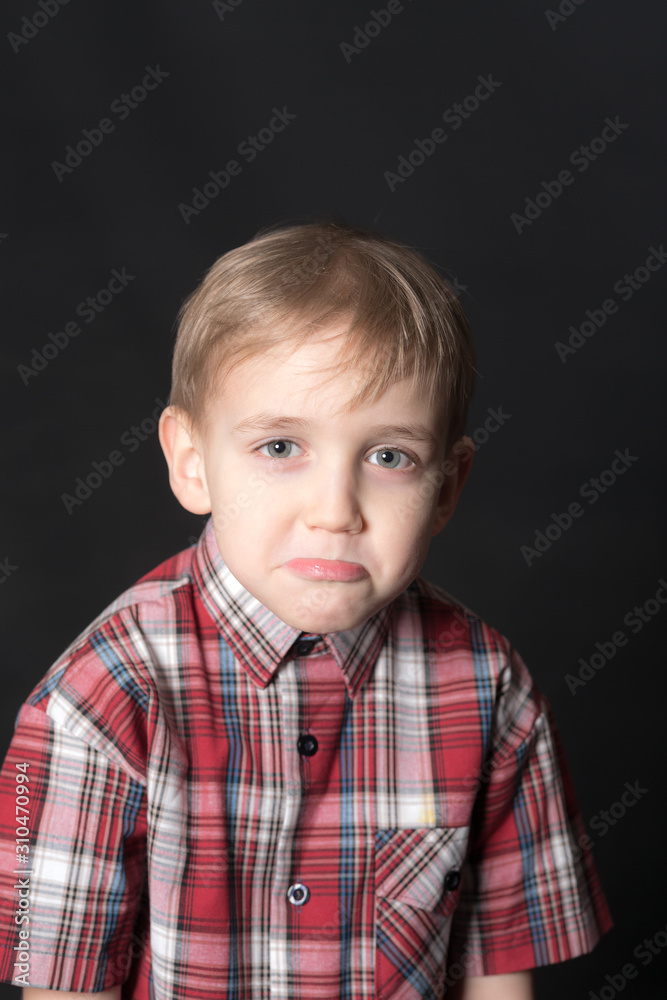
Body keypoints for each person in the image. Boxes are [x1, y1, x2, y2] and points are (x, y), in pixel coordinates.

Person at [0, 221, 611, 999]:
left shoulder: (488, 688)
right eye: (281, 447)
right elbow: (61, 979)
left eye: (388, 456)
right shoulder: (98, 698)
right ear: (192, 463)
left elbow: (496, 975)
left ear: (446, 488)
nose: (334, 511)